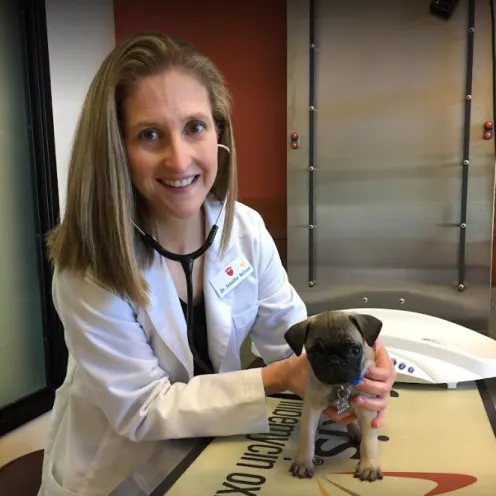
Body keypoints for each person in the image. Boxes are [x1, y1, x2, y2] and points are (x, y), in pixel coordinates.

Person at [37, 32, 396, 496]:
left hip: (216, 456)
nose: (180, 157)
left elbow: (290, 342)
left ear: (219, 133)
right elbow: (142, 410)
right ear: (115, 151)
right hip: (118, 474)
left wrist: (366, 363)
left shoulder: (244, 230)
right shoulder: (88, 264)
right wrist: (276, 377)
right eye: (150, 134)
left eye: (195, 127)